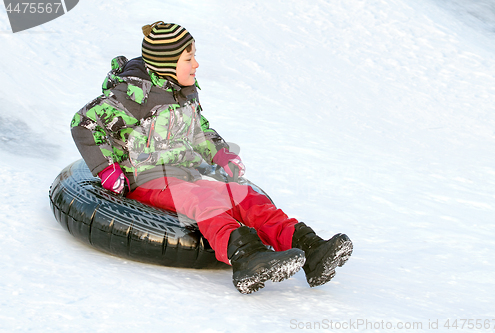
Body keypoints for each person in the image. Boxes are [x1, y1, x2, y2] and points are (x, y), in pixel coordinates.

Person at [71, 21, 353, 294]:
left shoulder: (183, 93)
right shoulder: (132, 98)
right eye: (188, 58)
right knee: (201, 200)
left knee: (242, 196)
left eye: (194, 57)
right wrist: (106, 169)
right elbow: (83, 123)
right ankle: (247, 259)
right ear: (167, 63)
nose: (196, 65)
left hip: (182, 173)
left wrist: (221, 153)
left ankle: (311, 248)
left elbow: (199, 130)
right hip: (146, 178)